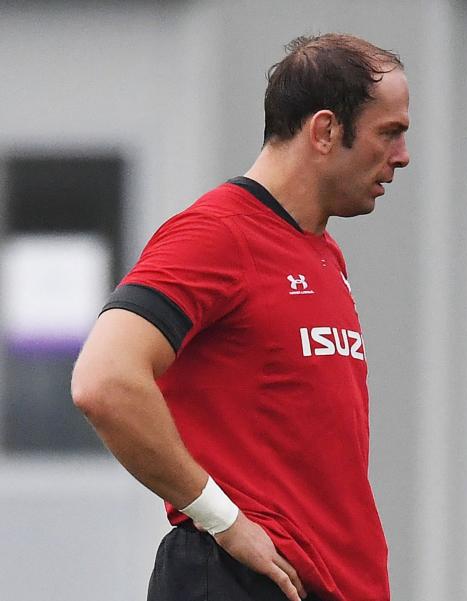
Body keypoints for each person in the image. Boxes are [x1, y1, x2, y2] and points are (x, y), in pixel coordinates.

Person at [71, 33, 410, 601]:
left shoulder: (323, 253)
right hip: (240, 580)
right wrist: (223, 519)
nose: (402, 156)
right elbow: (105, 381)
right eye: (390, 132)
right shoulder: (217, 234)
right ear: (325, 131)